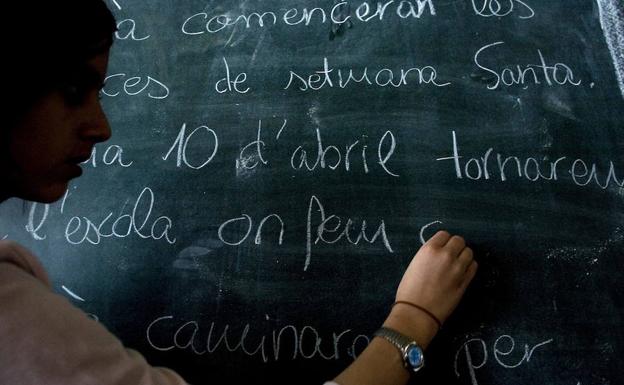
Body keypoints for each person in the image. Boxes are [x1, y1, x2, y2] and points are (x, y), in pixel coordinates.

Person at [0, 1, 477, 384]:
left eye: (99, 93)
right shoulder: (10, 310)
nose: (100, 127)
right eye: (72, 90)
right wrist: (413, 321)